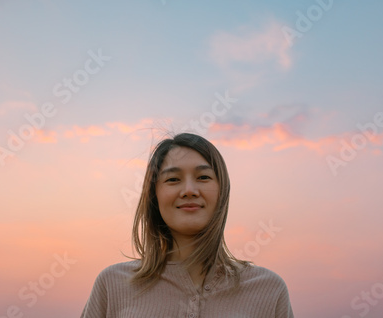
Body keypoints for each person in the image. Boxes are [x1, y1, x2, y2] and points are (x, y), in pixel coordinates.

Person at [80, 132, 294, 317]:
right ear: (155, 195)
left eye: (203, 177)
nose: (189, 190)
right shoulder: (113, 285)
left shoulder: (269, 290)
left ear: (222, 192)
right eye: (173, 179)